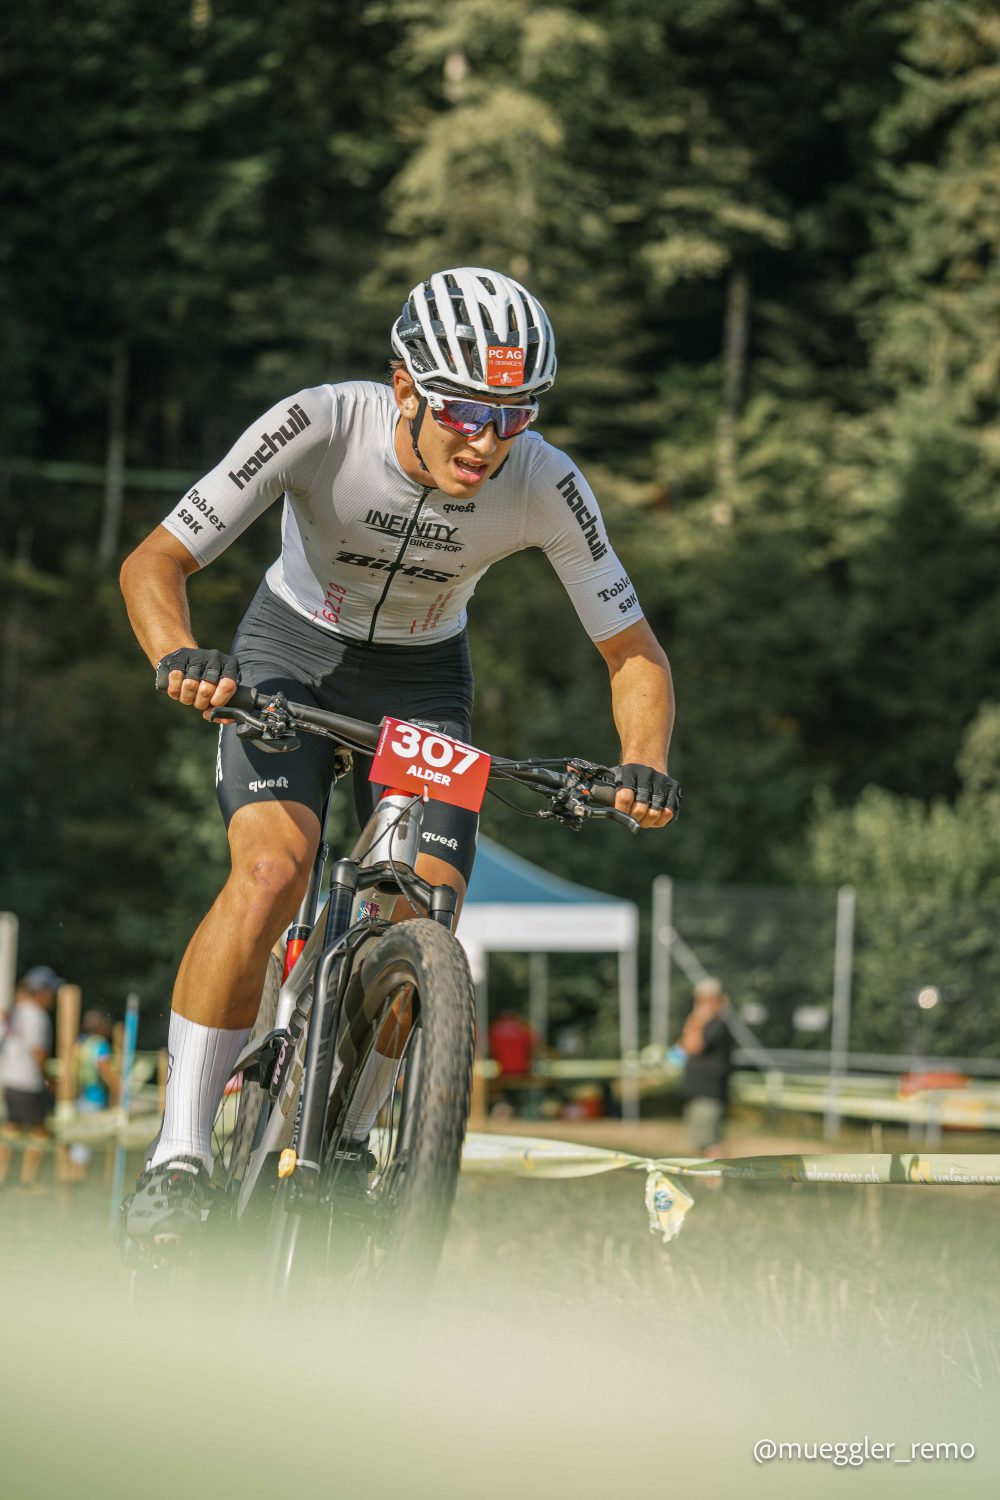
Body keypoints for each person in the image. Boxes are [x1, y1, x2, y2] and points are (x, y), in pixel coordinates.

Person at [117, 266, 681, 1254]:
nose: (486, 440)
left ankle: (363, 1129)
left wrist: (641, 761)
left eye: (515, 413)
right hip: (285, 658)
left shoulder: (542, 479)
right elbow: (155, 561)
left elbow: (630, 649)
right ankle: (177, 1158)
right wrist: (178, 654)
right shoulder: (320, 422)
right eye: (464, 409)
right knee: (268, 874)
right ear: (406, 385)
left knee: (430, 909)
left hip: (424, 689)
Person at [0, 966, 61, 1188]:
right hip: (29, 1081)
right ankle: (28, 1180)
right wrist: (48, 1078)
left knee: (11, 1128)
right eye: (51, 992)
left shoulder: (16, 1011)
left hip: (10, 1079)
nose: (52, 998)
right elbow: (38, 1051)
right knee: (39, 1131)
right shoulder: (37, 1016)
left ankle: (2, 1176)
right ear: (42, 991)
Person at [679, 978, 733, 1156]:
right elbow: (684, 1047)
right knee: (700, 1143)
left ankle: (715, 1182)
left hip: (709, 1093)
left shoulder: (717, 1025)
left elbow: (693, 1046)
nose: (699, 1005)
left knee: (711, 1143)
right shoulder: (708, 1024)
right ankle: (704, 1182)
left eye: (704, 1000)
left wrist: (696, 1019)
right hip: (699, 1092)